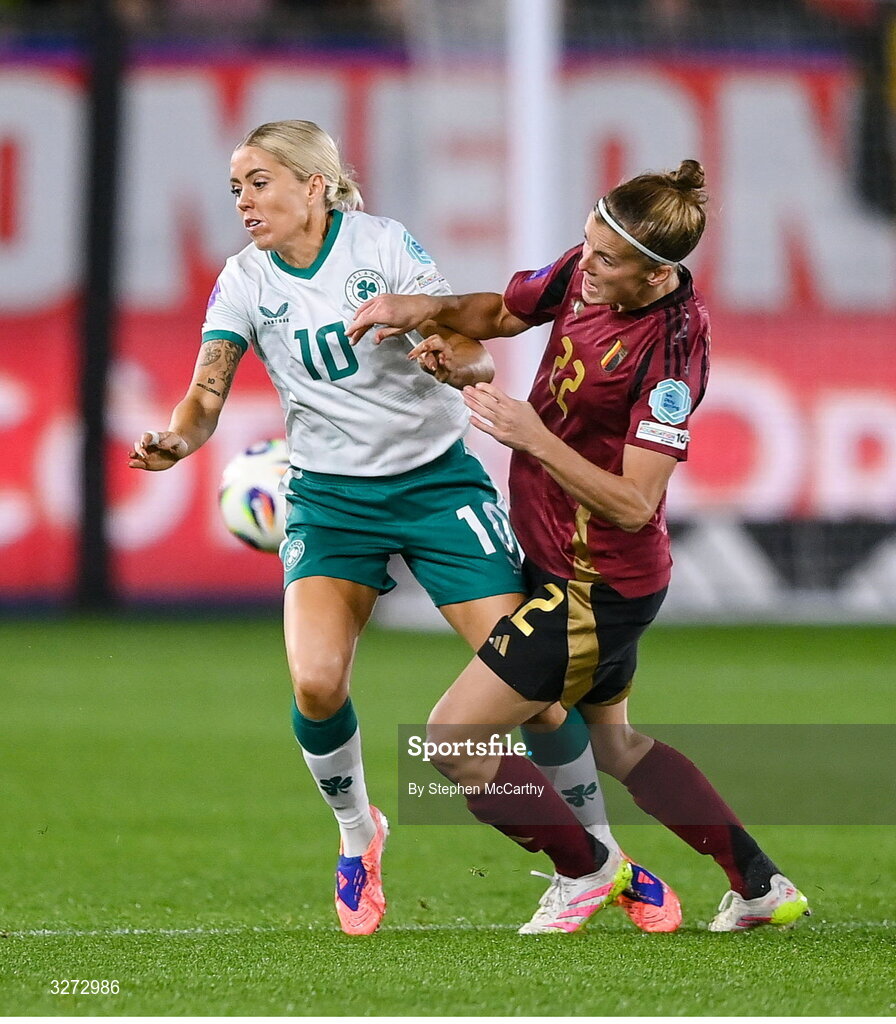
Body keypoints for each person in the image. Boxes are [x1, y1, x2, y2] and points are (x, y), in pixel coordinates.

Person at [126, 119, 673, 937]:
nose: (242, 199)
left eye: (259, 181)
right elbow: (205, 395)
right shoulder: (242, 281)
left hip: (436, 486)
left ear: (314, 185)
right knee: (315, 683)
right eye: (236, 186)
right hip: (329, 500)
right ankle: (358, 837)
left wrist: (451, 360)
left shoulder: (380, 247)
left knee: (532, 691)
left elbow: (473, 348)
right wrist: (178, 436)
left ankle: (597, 855)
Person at [347, 159, 811, 934]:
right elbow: (500, 311)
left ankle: (590, 869)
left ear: (657, 273)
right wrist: (419, 308)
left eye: (606, 260)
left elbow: (635, 501)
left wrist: (532, 435)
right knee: (617, 744)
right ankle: (761, 886)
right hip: (563, 562)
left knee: (451, 743)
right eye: (587, 245)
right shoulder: (590, 264)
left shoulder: (669, 355)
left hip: (596, 584)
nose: (585, 267)